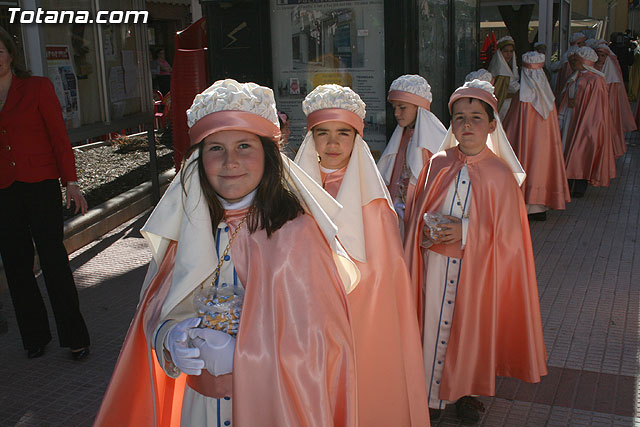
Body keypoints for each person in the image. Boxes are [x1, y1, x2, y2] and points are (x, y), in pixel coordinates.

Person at [95, 79, 360, 426]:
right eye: (216, 148)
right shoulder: (190, 228)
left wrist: (246, 354)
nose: (230, 161)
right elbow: (158, 305)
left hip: (274, 406)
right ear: (198, 160)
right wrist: (171, 337)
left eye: (244, 146)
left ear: (269, 156)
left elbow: (324, 345)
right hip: (201, 407)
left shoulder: (298, 233)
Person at [403, 80, 547, 423]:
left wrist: (466, 230)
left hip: (480, 271)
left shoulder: (500, 175)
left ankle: (465, 392)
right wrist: (425, 230)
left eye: (476, 118)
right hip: (437, 262)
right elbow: (417, 215)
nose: (467, 126)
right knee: (434, 328)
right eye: (459, 118)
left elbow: (511, 237)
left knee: (471, 331)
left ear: (493, 125)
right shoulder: (436, 165)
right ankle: (430, 396)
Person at [294, 84, 430, 427]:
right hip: (305, 316)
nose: (333, 144)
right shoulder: (293, 193)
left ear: (358, 138)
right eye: (322, 133)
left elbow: (386, 274)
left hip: (361, 315)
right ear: (311, 139)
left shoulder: (374, 200)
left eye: (344, 133)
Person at [0, 26, 90, 360]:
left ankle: (75, 336)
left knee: (53, 259)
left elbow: (58, 137)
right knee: (16, 265)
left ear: (10, 54)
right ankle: (34, 337)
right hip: (3, 190)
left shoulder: (37, 87)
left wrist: (71, 181)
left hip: (39, 184)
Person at [503, 51, 570, 221]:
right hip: (545, 146)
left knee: (526, 164)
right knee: (542, 167)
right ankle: (540, 207)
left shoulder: (522, 98)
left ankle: (525, 205)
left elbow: (511, 125)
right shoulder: (548, 98)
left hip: (524, 145)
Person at [377, 74, 446, 228]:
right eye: (394, 108)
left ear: (419, 107)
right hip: (401, 214)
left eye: (402, 107)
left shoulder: (437, 139)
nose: (396, 113)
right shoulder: (402, 136)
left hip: (425, 216)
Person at [557, 46, 616, 197]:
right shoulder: (576, 76)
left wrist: (589, 123)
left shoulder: (596, 80)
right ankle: (567, 182)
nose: (574, 63)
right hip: (571, 117)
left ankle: (579, 185)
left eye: (577, 60)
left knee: (581, 150)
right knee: (568, 147)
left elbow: (597, 106)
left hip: (585, 120)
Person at [593, 41, 637, 158]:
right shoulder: (592, 67)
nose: (600, 58)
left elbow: (613, 93)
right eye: (598, 55)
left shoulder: (611, 71)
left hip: (607, 105)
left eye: (603, 55)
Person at [488, 35, 519, 120]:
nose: (509, 54)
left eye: (511, 51)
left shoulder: (510, 67)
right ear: (500, 53)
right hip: (503, 105)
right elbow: (514, 87)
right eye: (505, 51)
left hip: (512, 104)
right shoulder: (499, 70)